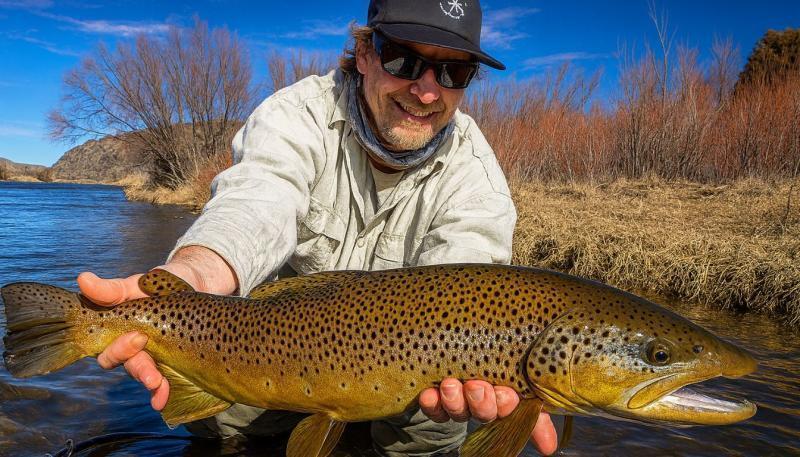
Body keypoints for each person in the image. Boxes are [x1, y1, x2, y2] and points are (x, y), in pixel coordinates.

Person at [78, 0, 558, 455]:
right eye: (404, 61)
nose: (427, 91)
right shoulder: (297, 115)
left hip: (408, 364)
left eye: (454, 71)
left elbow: (466, 289)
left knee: (439, 417)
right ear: (366, 53)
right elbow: (256, 204)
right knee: (222, 421)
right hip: (279, 346)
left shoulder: (475, 172)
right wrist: (194, 276)